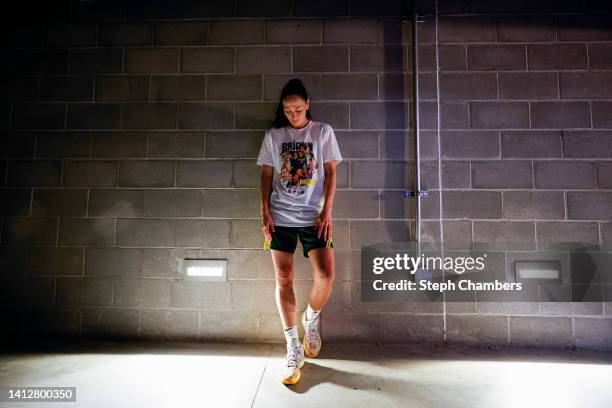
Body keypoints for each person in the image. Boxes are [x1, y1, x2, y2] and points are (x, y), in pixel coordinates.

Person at [256, 78, 343, 385]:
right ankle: (293, 345)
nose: (292, 114)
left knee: (326, 275)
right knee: (283, 278)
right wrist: (265, 210)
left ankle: (312, 319)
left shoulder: (322, 132)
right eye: (287, 109)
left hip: (314, 216)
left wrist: (327, 211)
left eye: (297, 108)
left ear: (307, 104)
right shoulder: (273, 135)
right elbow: (266, 174)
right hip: (280, 216)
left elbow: (332, 173)